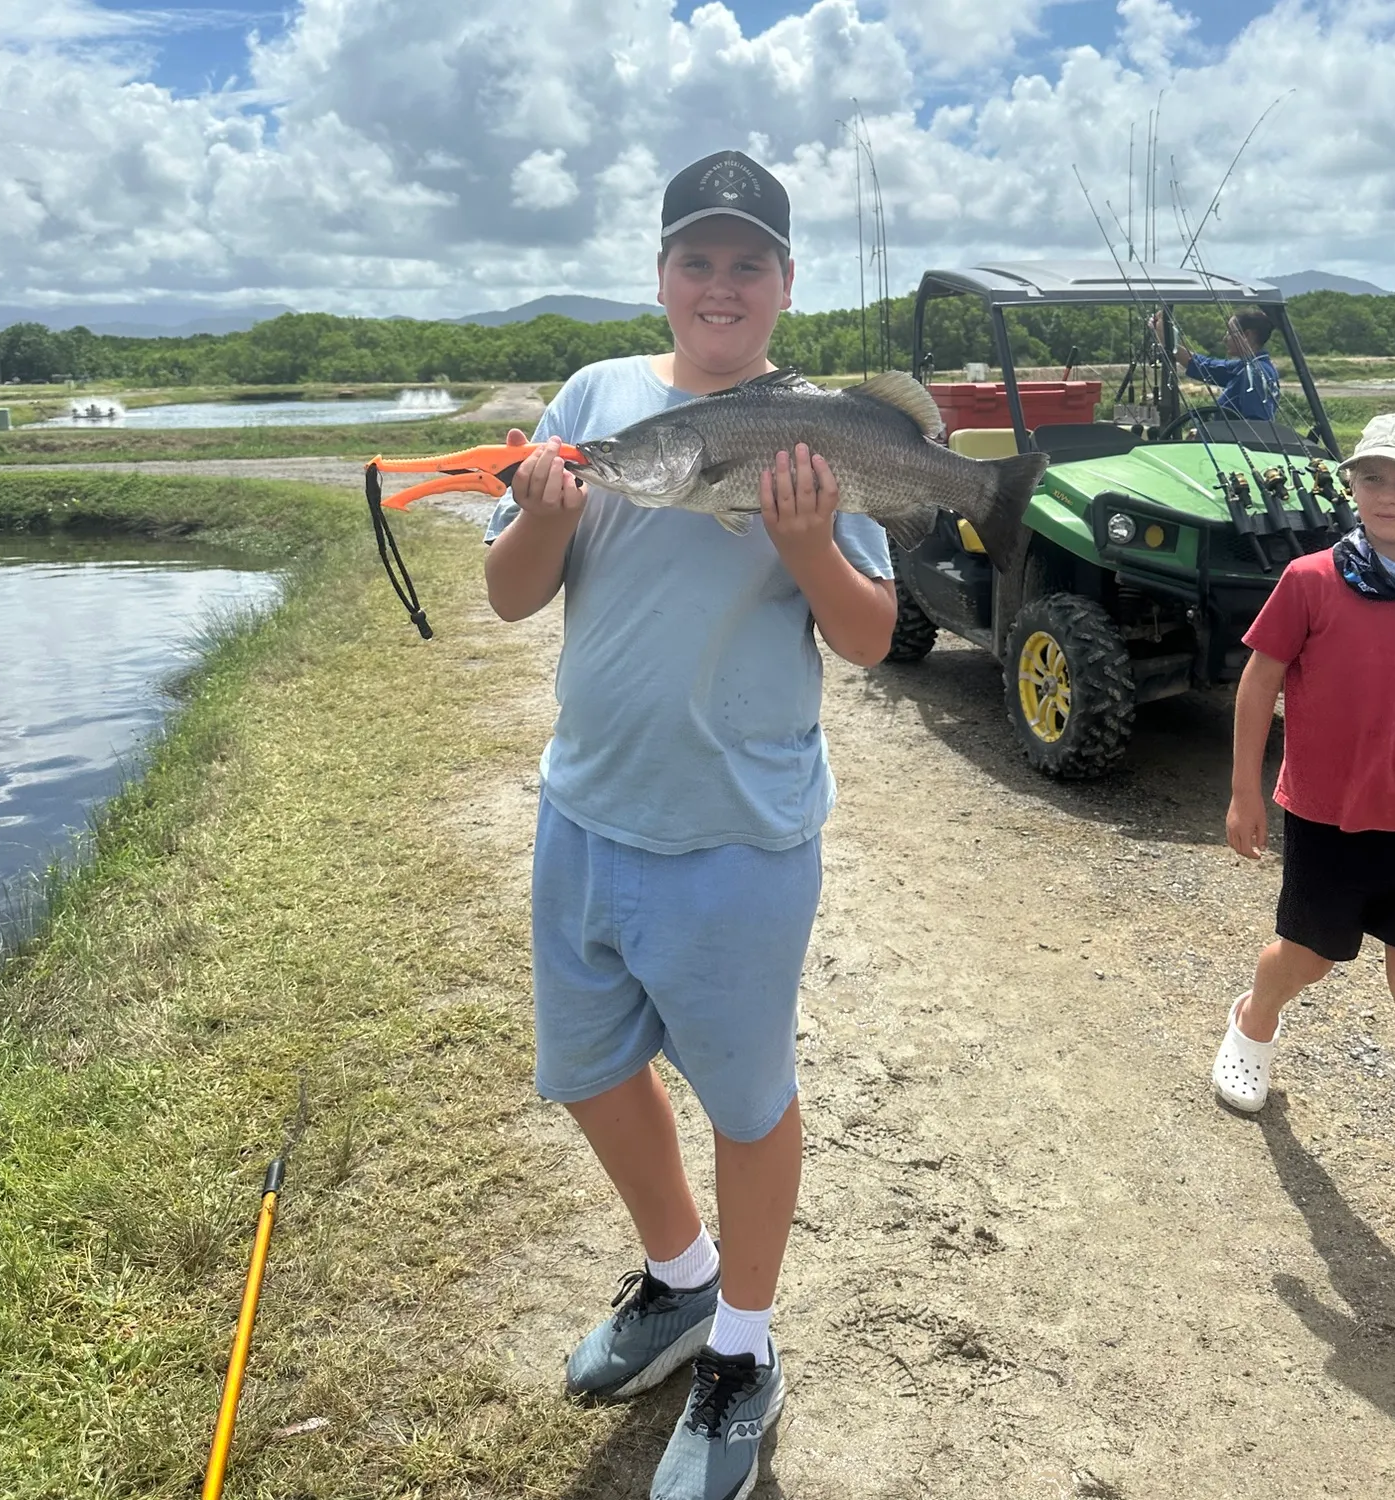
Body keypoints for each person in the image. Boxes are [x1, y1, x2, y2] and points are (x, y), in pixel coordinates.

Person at [482, 149, 896, 1498]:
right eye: (696, 260)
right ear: (660, 275)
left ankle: (745, 1349)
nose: (721, 285)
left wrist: (808, 545)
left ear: (785, 284)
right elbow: (509, 595)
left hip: (739, 835)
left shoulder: (817, 424)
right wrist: (546, 511)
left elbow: (873, 638)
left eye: (749, 263)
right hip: (587, 815)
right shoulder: (599, 403)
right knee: (591, 1072)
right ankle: (678, 1276)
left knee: (745, 1097)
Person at [1215, 411, 1395, 1247]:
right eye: (1372, 478)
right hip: (1324, 818)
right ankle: (1255, 1017)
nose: (1388, 496)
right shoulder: (1310, 580)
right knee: (1310, 957)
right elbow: (1258, 684)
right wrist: (1244, 793)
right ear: (1350, 486)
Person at [1150, 306, 1282, 421]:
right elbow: (1204, 366)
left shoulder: (1253, 373)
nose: (1225, 339)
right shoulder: (1247, 367)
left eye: (1230, 333)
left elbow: (1256, 427)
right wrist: (1167, 340)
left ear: (1247, 335)